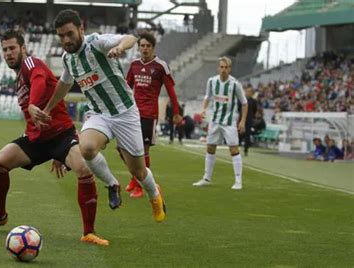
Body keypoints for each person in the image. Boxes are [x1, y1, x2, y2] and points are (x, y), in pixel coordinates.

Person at [0, 29, 109, 246]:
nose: (8, 53)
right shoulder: (18, 77)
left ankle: (88, 232)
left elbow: (40, 80)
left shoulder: (31, 64)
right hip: (36, 139)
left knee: (83, 168)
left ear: (23, 48)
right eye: (4, 49)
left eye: (12, 48)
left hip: (61, 137)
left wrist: (34, 104)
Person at [33, 9, 166, 223]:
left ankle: (154, 195)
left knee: (139, 172)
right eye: (61, 36)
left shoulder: (97, 43)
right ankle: (112, 184)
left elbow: (131, 38)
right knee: (86, 148)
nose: (66, 40)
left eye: (69, 34)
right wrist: (47, 109)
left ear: (81, 29)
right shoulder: (68, 59)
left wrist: (120, 47)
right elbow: (64, 84)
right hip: (99, 114)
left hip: (125, 113)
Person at [124, 32, 182, 198]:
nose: (145, 49)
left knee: (143, 151)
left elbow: (171, 90)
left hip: (149, 114)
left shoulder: (161, 66)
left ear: (153, 47)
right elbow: (127, 87)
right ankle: (136, 179)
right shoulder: (134, 65)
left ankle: (139, 186)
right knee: (124, 149)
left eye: (148, 46)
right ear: (138, 47)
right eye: (142, 45)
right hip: (133, 113)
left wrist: (176, 113)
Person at [192, 56, 248, 190]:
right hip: (215, 120)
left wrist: (243, 121)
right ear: (218, 68)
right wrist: (203, 109)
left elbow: (244, 103)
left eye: (226, 67)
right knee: (210, 147)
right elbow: (207, 97)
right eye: (221, 67)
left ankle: (238, 181)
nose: (223, 70)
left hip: (229, 122)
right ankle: (206, 178)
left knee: (234, 149)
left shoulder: (235, 84)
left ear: (230, 69)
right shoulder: (211, 81)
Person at [239, 87, 257, 156]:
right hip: (241, 119)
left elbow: (255, 109)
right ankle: (237, 147)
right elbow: (239, 107)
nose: (247, 93)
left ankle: (246, 150)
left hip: (249, 119)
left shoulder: (253, 101)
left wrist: (251, 116)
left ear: (252, 93)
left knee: (247, 135)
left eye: (249, 92)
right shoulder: (242, 99)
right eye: (247, 91)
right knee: (239, 133)